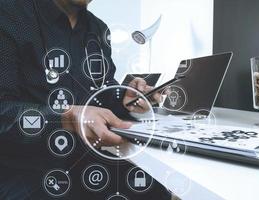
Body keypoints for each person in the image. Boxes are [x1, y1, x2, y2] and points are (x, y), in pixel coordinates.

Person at [0, 0, 170, 199]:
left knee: (155, 191)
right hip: (23, 169)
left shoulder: (98, 28)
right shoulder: (8, 15)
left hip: (90, 162)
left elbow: (102, 93)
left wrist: (123, 97)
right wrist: (66, 118)